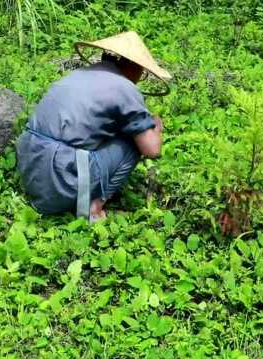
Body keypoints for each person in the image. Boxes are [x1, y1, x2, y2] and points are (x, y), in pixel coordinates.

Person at [16, 31, 172, 222]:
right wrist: (155, 125)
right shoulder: (124, 87)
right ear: (133, 65)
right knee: (133, 143)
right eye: (142, 71)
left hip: (31, 174)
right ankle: (94, 207)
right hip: (60, 181)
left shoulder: (78, 75)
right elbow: (152, 149)